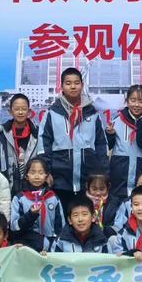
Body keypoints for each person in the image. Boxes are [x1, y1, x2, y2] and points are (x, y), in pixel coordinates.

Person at [39, 67, 108, 209]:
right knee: (62, 218)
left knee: (87, 218)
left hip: (88, 181)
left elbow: (101, 144)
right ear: (61, 86)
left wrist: (101, 173)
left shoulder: (93, 113)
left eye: (76, 83)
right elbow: (44, 142)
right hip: (60, 181)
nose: (73, 86)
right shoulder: (52, 113)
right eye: (68, 83)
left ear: (82, 85)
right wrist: (46, 171)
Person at [107, 85, 142, 199]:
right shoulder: (116, 121)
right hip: (120, 176)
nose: (136, 105)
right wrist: (110, 135)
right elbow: (108, 146)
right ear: (127, 101)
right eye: (133, 100)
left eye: (141, 101)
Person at [10, 157, 64, 251]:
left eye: (41, 173)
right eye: (32, 172)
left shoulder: (53, 198)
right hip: (27, 246)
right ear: (26, 176)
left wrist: (53, 244)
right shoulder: (19, 199)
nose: (37, 176)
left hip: (50, 247)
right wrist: (31, 214)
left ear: (46, 176)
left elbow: (61, 227)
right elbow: (14, 227)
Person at [0, 93, 41, 194]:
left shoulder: (38, 134)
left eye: (24, 109)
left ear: (29, 112)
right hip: (6, 187)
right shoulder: (0, 135)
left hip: (32, 187)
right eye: (17, 109)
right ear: (10, 112)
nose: (20, 112)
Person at [84, 173, 121, 237]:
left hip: (107, 238)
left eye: (102, 189)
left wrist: (103, 231)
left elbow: (117, 226)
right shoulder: (82, 202)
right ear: (87, 186)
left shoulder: (114, 203)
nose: (98, 193)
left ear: (108, 186)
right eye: (94, 189)